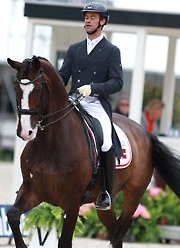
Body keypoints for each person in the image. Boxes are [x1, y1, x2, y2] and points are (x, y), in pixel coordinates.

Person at [59, 2, 123, 210]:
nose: (87, 20)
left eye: (93, 17)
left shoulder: (112, 51)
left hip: (95, 103)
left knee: (105, 141)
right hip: (73, 100)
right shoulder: (74, 49)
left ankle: (106, 192)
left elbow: (117, 82)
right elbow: (62, 77)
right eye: (86, 16)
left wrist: (94, 88)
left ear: (102, 22)